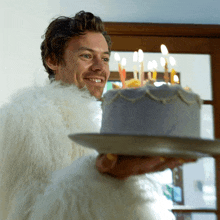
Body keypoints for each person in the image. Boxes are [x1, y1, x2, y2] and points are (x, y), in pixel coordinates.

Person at [0, 11, 111, 220]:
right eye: (86, 56)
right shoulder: (30, 118)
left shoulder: (96, 122)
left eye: (105, 58)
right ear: (53, 60)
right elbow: (30, 211)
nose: (100, 67)